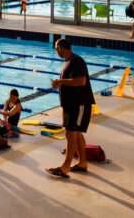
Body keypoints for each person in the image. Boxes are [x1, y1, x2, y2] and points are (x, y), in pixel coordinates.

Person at [48, 38, 94, 178]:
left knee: (71, 134)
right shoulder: (68, 62)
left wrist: (60, 81)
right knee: (77, 134)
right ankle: (82, 163)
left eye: (56, 48)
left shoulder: (76, 61)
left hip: (79, 104)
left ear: (61, 48)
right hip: (70, 105)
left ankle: (65, 167)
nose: (56, 51)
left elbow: (81, 81)